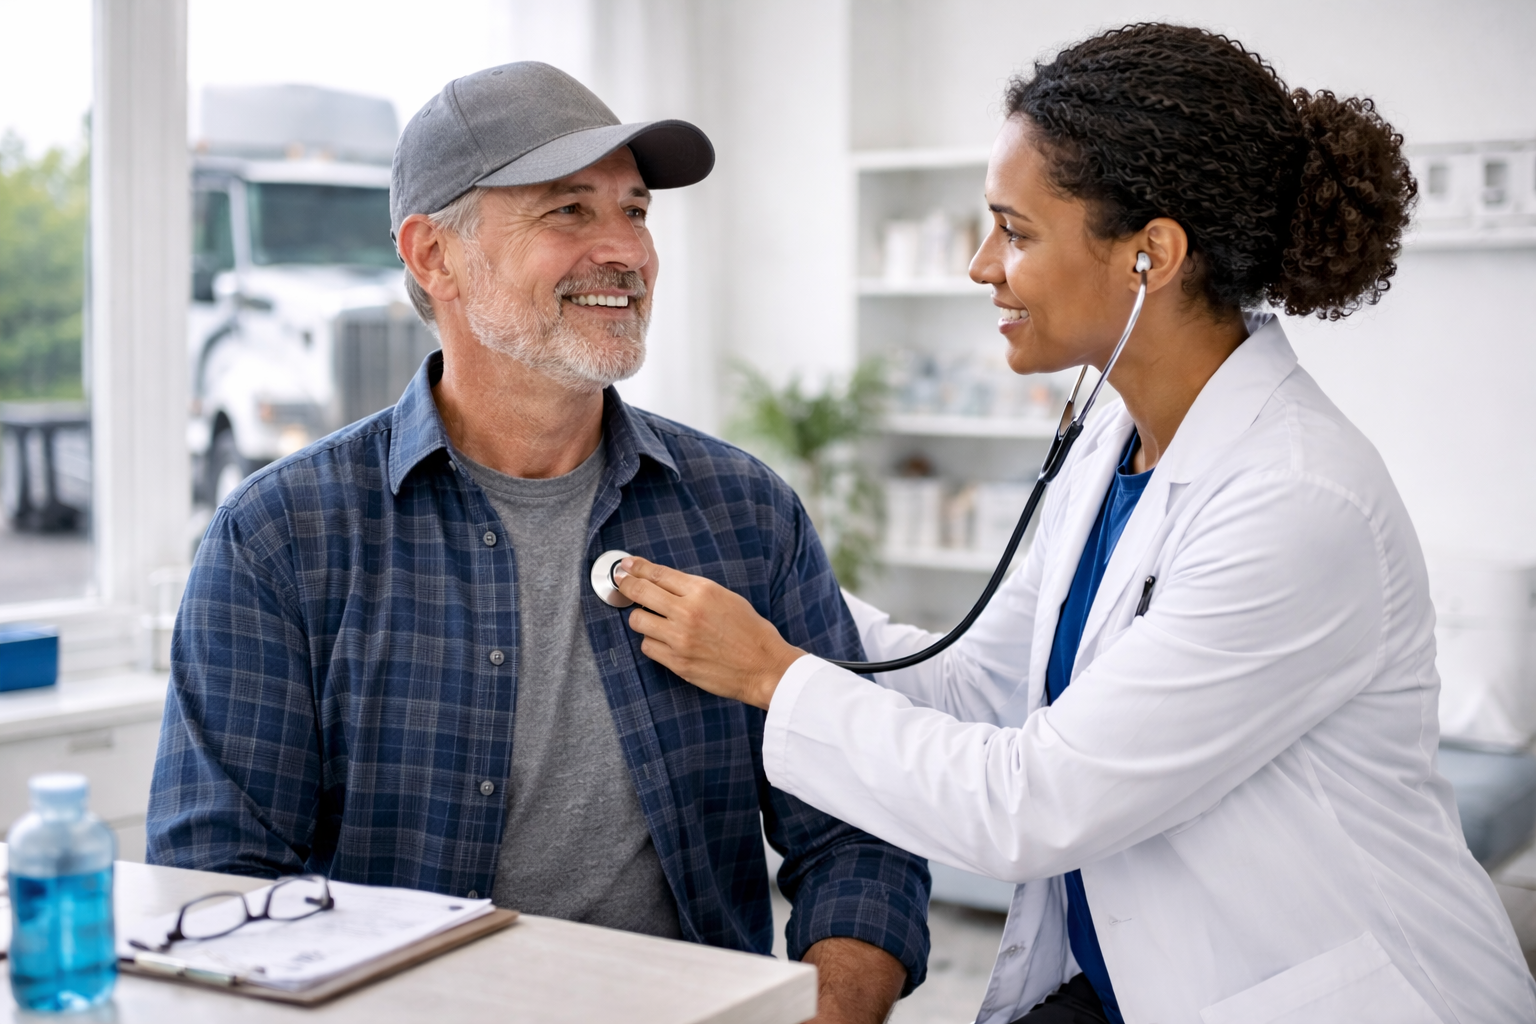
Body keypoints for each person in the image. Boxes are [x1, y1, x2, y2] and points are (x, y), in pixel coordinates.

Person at [609, 23, 1536, 1024]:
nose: (979, 265)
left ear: (1151, 257)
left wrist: (766, 671)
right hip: (1129, 980)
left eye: (1015, 230)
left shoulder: (1297, 501)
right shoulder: (1112, 444)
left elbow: (1030, 799)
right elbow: (982, 684)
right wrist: (777, 592)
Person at [146, 62, 929, 1024]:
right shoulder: (281, 539)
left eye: (635, 212)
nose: (626, 252)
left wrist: (826, 1015)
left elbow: (859, 832)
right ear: (434, 256)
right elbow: (216, 887)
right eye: (568, 212)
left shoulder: (745, 514)